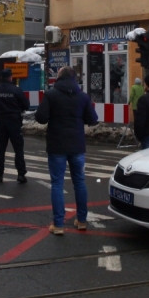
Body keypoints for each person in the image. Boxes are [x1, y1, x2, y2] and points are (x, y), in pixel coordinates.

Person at [35, 66, 98, 235]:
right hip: (77, 145)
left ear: (59, 78)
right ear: (74, 78)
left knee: (57, 183)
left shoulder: (51, 95)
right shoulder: (82, 97)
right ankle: (82, 220)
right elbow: (93, 119)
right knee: (79, 182)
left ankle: (58, 224)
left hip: (57, 145)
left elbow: (41, 118)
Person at [0, 67, 30, 183]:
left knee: (0, 149)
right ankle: (21, 174)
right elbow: (26, 105)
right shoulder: (16, 90)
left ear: (1, 77)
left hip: (1, 122)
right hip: (14, 122)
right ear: (10, 77)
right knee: (18, 149)